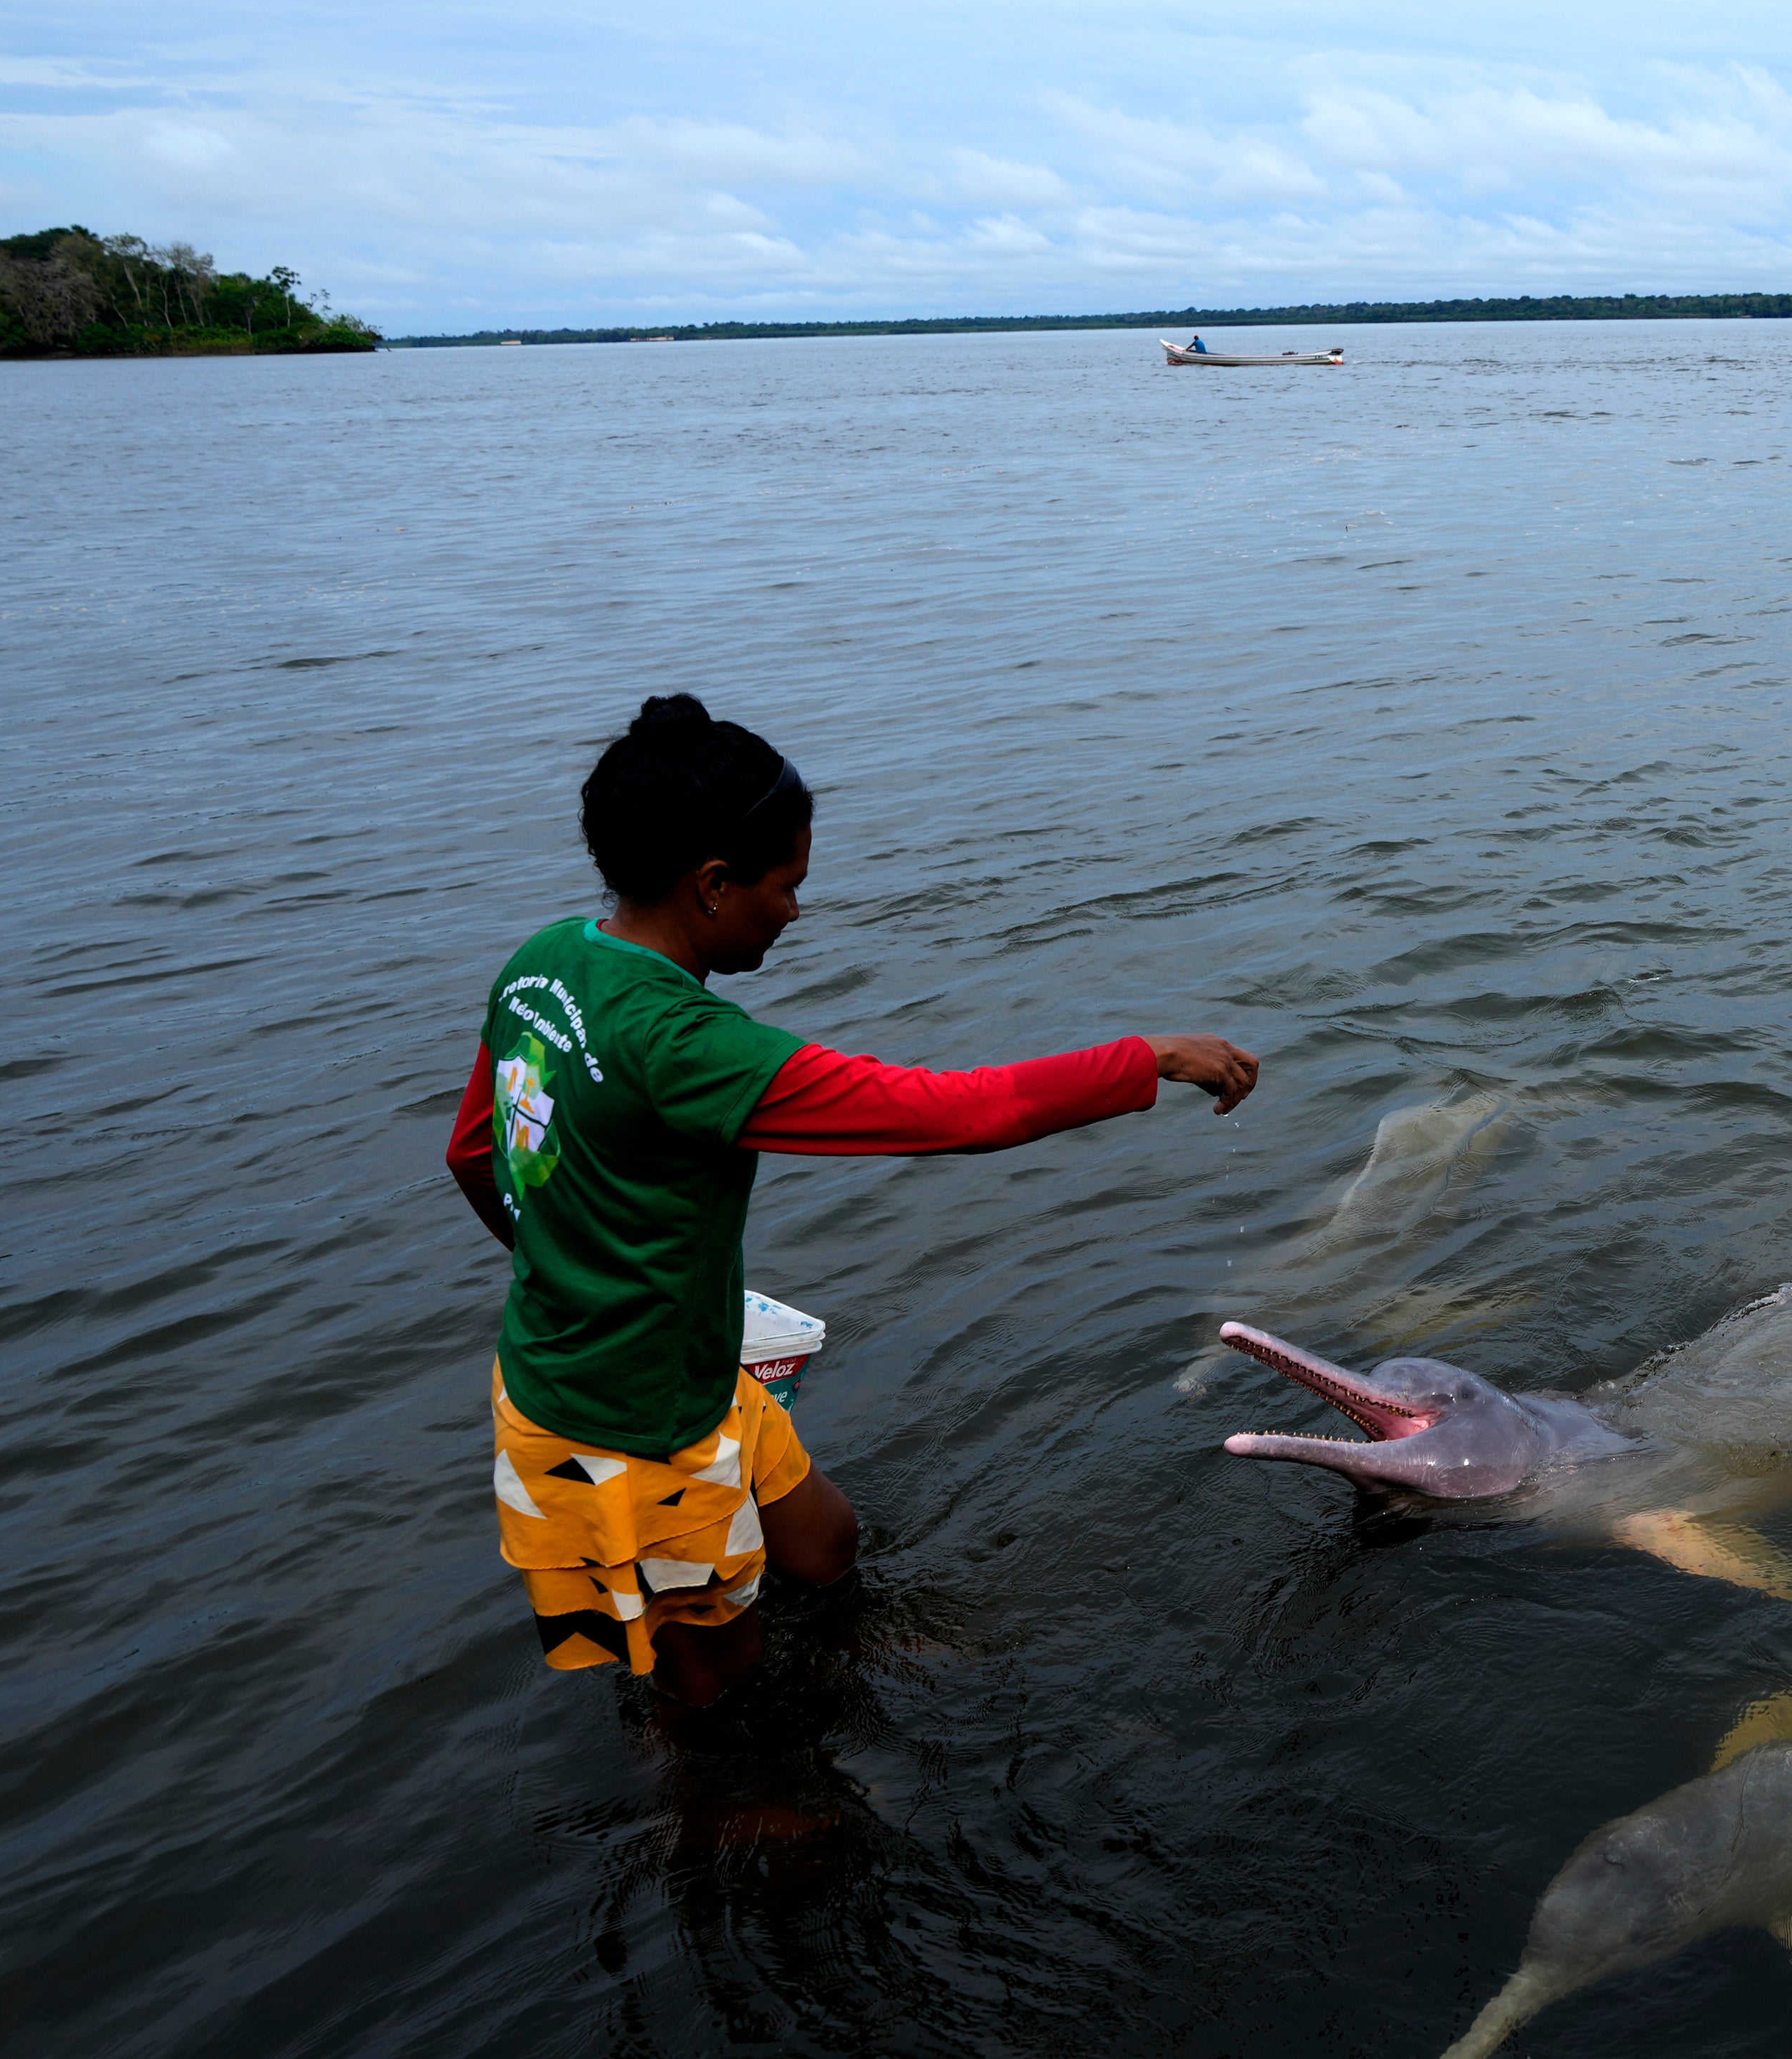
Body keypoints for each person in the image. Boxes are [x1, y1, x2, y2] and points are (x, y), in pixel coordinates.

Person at [444, 694, 1260, 1706]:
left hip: (661, 1369)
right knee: (719, 1706)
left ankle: (842, 1674)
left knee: (826, 1548)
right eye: (786, 887)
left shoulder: (543, 963)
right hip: (629, 1435)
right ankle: (743, 1816)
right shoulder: (687, 1047)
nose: (794, 911)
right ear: (711, 885)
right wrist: (1151, 1057)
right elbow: (956, 1113)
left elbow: (475, 1153)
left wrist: (567, 1269)